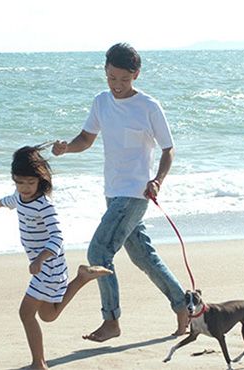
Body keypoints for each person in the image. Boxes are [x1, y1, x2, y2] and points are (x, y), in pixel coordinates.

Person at [51, 42, 188, 343]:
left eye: (123, 80)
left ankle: (111, 321)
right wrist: (66, 148)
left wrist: (158, 180)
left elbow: (168, 149)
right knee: (144, 257)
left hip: (136, 193)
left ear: (136, 74)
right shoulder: (101, 101)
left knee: (99, 253)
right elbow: (86, 138)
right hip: (112, 192)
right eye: (111, 78)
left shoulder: (149, 107)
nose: (117, 85)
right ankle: (184, 306)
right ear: (105, 72)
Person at [0, 145, 112, 369]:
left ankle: (39, 363)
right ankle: (82, 277)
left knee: (26, 313)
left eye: (30, 183)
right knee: (48, 315)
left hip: (48, 266)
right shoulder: (19, 197)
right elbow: (11, 200)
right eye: (19, 182)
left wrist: (40, 259)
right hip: (44, 266)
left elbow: (57, 237)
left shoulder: (45, 207)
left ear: (40, 180)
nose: (25, 188)